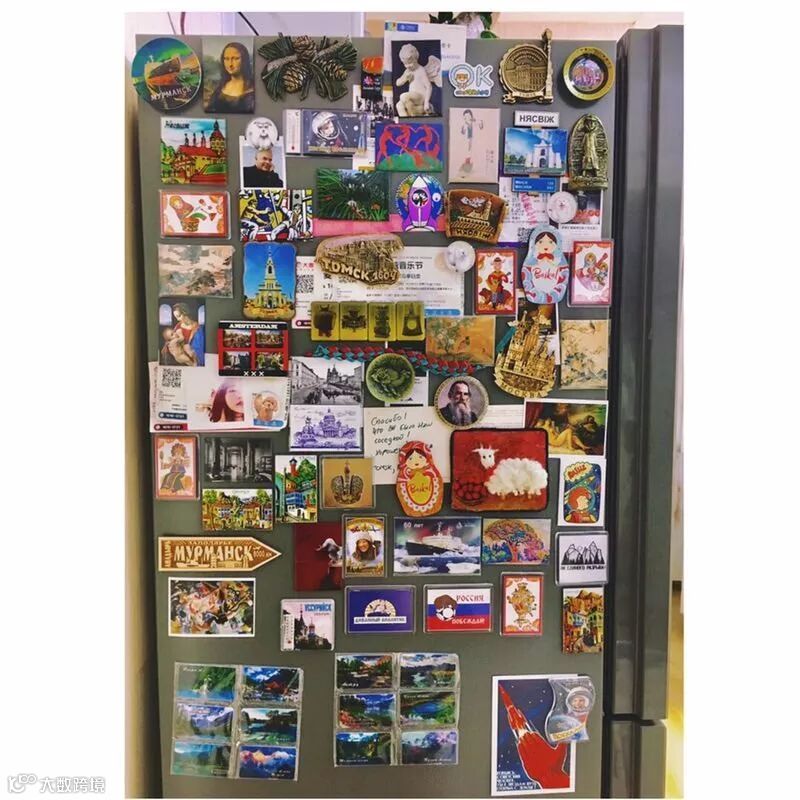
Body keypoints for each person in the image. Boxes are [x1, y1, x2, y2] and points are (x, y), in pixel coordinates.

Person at [206, 41, 255, 113]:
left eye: (235, 58)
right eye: (226, 59)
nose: (230, 64)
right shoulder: (219, 89)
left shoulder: (252, 89)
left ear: (244, 60)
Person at [395, 43, 441, 117]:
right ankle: (406, 120)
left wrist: (426, 102)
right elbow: (398, 83)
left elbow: (429, 86)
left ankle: (413, 115)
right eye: (405, 64)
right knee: (399, 105)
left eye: (410, 63)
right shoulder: (407, 71)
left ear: (415, 59)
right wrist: (404, 78)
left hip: (420, 97)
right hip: (411, 97)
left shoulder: (421, 70)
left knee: (404, 96)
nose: (408, 66)